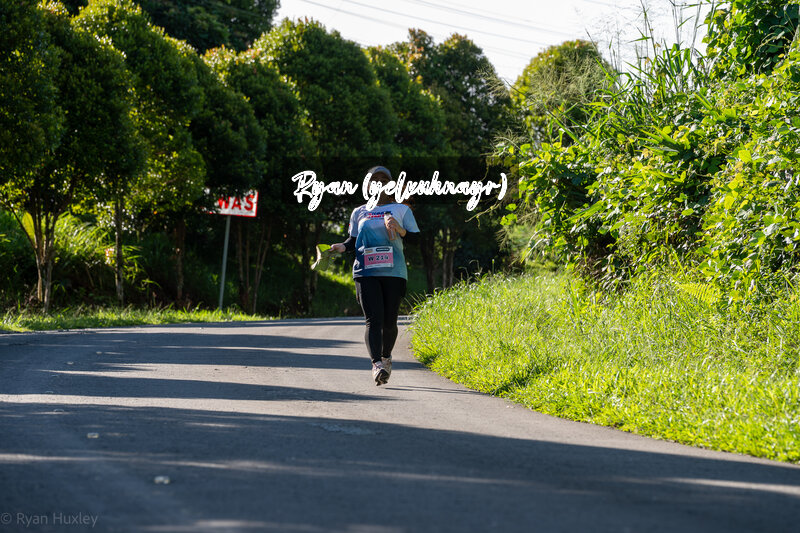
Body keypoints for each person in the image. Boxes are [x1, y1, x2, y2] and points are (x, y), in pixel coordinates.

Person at [330, 166, 420, 386]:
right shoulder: (359, 212)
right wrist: (342, 247)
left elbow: (416, 239)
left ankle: (386, 356)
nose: (379, 182)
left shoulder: (401, 209)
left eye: (384, 179)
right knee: (373, 319)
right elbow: (353, 240)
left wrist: (400, 229)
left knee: (389, 322)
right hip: (365, 271)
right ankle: (376, 364)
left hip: (394, 272)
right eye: (374, 179)